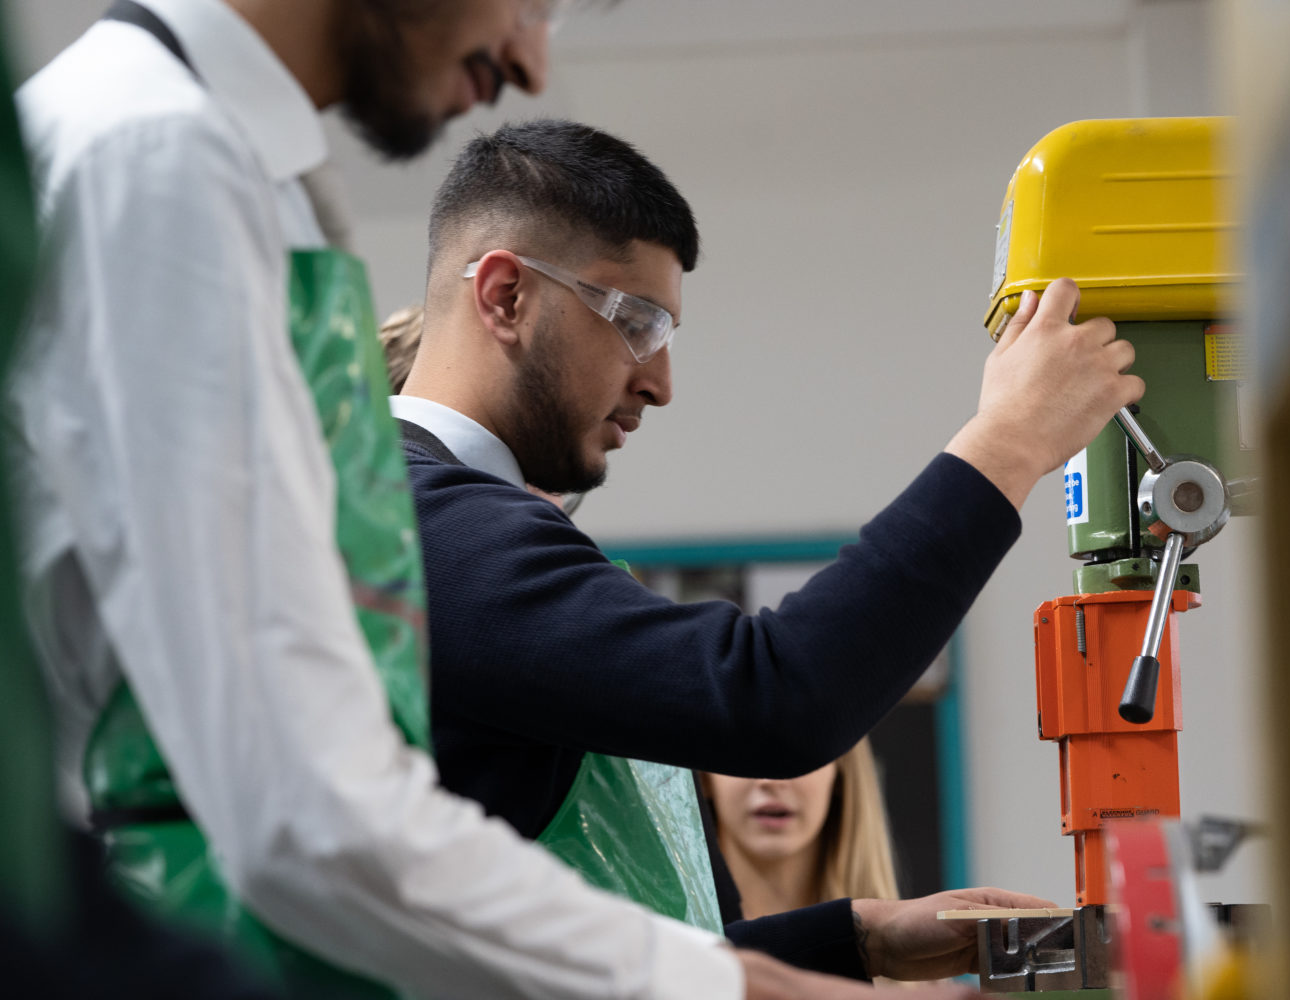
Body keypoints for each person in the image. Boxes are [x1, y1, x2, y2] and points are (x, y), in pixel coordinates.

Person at [9, 2, 988, 998]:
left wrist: (832, 943)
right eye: (530, 3)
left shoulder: (238, 170)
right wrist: (724, 984)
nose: (530, 60)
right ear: (505, 296)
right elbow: (302, 813)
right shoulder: (152, 157)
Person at [397, 120, 1140, 978]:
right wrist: (1009, 441)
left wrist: (858, 937)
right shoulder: (424, 524)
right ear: (505, 297)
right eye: (635, 322)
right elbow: (771, 695)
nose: (659, 382)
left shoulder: (429, 520)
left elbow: (574, 959)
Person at [703, 739, 900, 922]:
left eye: (798, 747)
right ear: (705, 776)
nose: (770, 779)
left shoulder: (901, 944)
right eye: (742, 746)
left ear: (841, 773)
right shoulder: (682, 941)